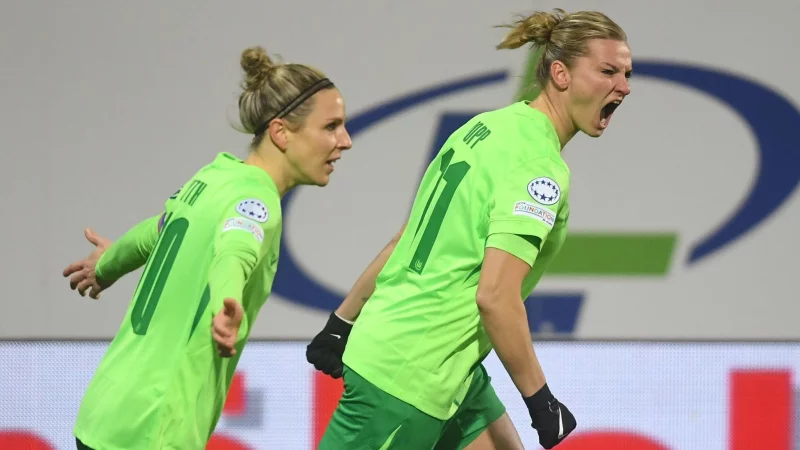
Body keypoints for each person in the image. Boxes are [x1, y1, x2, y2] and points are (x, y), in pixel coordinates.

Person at [306, 8, 631, 450]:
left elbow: (410, 237)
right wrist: (540, 399)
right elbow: (496, 297)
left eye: (627, 73)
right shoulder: (539, 168)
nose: (624, 86)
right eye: (608, 71)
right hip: (407, 377)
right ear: (561, 74)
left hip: (445, 363)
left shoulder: (483, 128)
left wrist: (343, 319)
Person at [62, 45, 352, 450]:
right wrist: (227, 303)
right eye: (332, 126)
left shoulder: (214, 178)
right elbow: (234, 253)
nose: (346, 141)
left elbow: (157, 229)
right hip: (156, 428)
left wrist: (107, 265)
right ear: (282, 132)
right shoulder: (259, 203)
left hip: (106, 413)